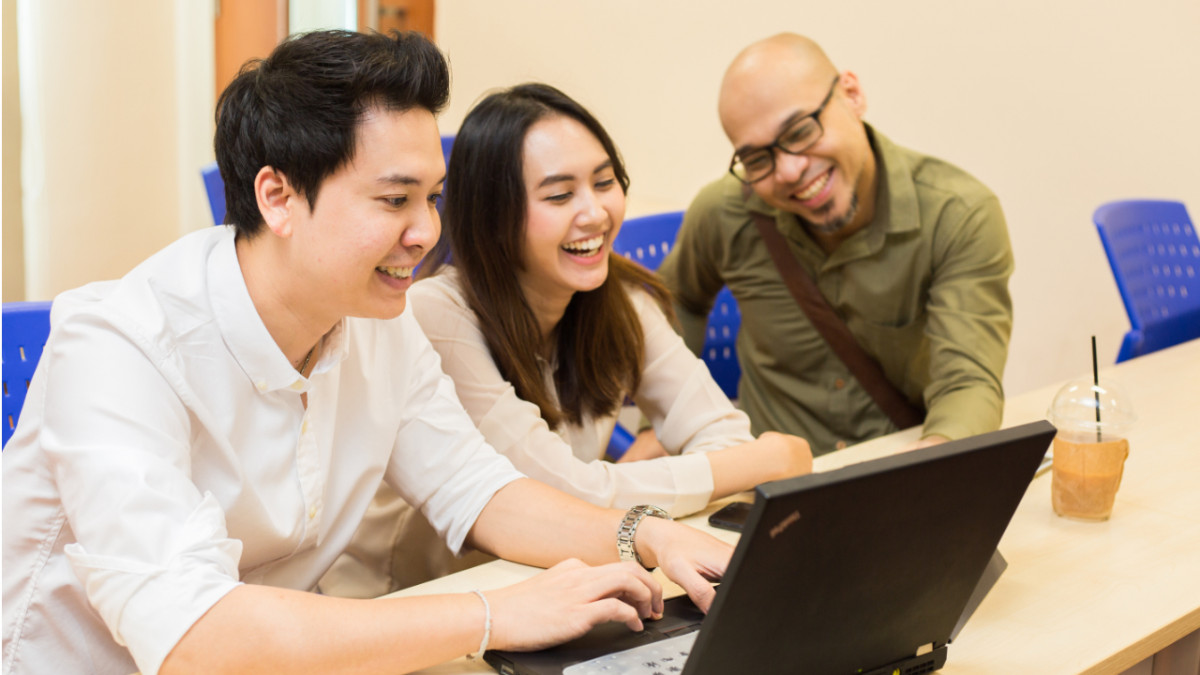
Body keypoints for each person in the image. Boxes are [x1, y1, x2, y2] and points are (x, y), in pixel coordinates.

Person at [1, 31, 734, 675]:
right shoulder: (118, 345)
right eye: (394, 200)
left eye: (432, 198)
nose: (427, 232)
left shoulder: (377, 319)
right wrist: (495, 614)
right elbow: (194, 637)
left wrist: (645, 535)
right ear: (278, 196)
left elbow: (478, 489)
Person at [346, 83, 811, 590]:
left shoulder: (619, 298)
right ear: (495, 216)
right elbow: (563, 494)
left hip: (549, 578)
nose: (594, 213)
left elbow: (722, 435)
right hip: (411, 595)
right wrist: (759, 461)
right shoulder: (437, 313)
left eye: (605, 182)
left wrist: (717, 467)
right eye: (560, 195)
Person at [657, 33, 1014, 456]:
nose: (789, 171)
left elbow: (967, 381)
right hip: (768, 476)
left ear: (852, 95)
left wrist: (934, 456)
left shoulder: (957, 217)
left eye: (800, 131)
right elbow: (676, 300)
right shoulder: (723, 211)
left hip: (897, 461)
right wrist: (664, 422)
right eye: (757, 160)